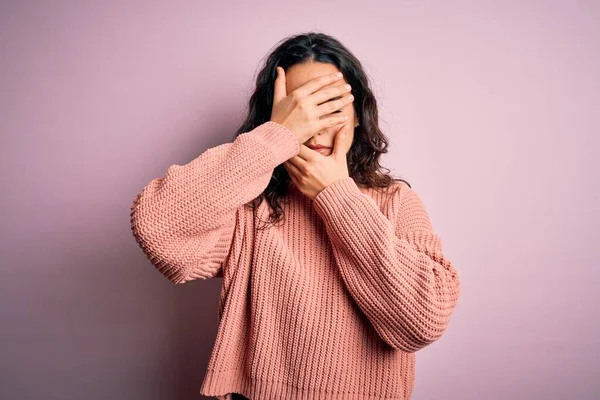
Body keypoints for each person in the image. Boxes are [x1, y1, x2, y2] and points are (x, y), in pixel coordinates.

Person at [130, 31, 462, 400]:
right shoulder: (248, 206)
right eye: (301, 110)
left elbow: (423, 320)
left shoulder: (395, 201)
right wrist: (276, 138)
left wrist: (334, 194)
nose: (316, 125)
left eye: (331, 106)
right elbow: (158, 229)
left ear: (356, 117)